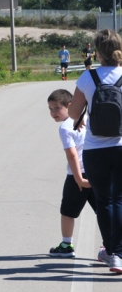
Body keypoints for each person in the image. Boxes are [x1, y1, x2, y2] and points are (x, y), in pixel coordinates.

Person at [69, 29, 122, 273]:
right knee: (120, 199)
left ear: (97, 52)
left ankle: (111, 253)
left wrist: (85, 112)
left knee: (105, 201)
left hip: (95, 148)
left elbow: (71, 113)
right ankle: (120, 251)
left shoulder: (87, 77)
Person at [47, 89, 96, 258]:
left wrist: (79, 180)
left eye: (57, 108)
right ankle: (111, 246)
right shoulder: (89, 119)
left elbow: (72, 154)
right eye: (50, 109)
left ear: (69, 106)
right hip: (96, 172)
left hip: (77, 175)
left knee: (68, 211)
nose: (53, 113)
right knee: (105, 210)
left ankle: (66, 244)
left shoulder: (66, 127)